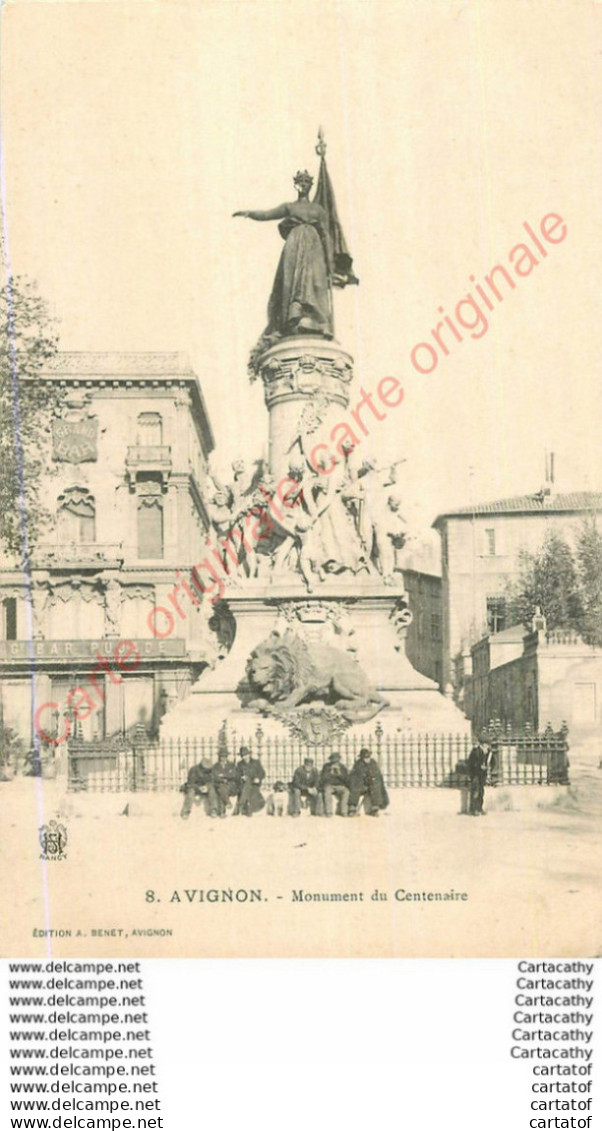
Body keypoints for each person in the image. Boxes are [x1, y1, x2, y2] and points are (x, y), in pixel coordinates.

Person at [233, 170, 334, 350]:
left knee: (315, 281)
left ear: (311, 186)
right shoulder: (289, 207)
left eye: (306, 182)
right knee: (292, 280)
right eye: (300, 182)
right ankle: (293, 316)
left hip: (314, 245)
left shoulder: (318, 210)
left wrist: (330, 260)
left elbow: (326, 233)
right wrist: (249, 213)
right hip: (294, 244)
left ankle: (317, 319)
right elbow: (266, 214)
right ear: (295, 185)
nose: (303, 185)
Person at [348, 747, 389, 817]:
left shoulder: (373, 764)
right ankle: (352, 807)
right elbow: (355, 777)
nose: (367, 759)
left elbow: (377, 775)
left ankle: (375, 808)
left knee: (375, 787)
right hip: (361, 784)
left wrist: (371, 779)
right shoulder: (358, 764)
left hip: (371, 784)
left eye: (368, 757)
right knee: (356, 787)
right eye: (365, 757)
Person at [234, 746, 266, 816]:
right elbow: (236, 775)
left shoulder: (256, 762)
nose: (245, 757)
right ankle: (249, 809)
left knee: (249, 788)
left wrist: (258, 778)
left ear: (249, 754)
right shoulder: (239, 764)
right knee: (247, 784)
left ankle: (240, 804)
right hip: (243, 784)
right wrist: (241, 777)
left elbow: (262, 773)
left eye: (246, 755)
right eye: (243, 756)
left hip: (255, 783)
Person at [467, 734, 491, 816]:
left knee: (481, 792)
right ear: (481, 744)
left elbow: (492, 762)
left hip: (483, 775)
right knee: (475, 792)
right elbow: (471, 763)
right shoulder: (475, 751)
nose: (486, 746)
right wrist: (480, 767)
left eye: (487, 744)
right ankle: (474, 810)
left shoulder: (488, 752)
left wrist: (488, 766)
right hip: (476, 775)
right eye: (485, 744)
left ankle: (480, 808)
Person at [211, 751, 238, 817]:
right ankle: (226, 804)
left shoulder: (231, 765)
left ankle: (222, 811)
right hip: (220, 784)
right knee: (221, 788)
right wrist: (224, 778)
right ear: (219, 757)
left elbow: (233, 775)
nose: (223, 758)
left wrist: (222, 776)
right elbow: (215, 776)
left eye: (225, 757)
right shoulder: (215, 766)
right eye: (222, 757)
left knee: (222, 789)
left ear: (227, 757)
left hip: (230, 785)